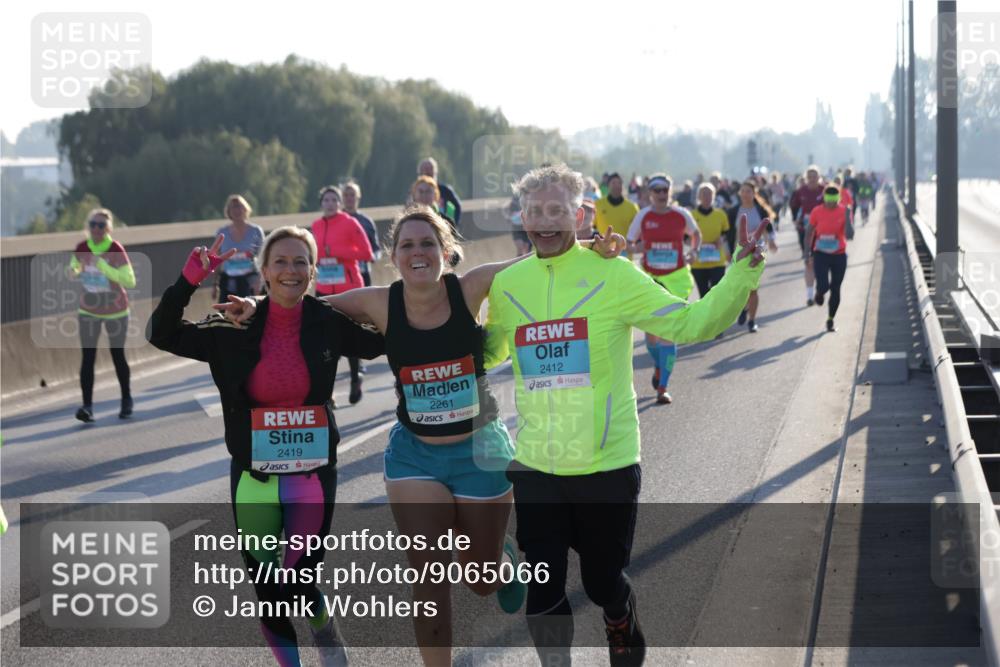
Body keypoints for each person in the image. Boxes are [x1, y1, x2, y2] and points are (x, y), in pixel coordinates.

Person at [218, 207, 625, 666]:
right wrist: (255, 305)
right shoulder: (378, 302)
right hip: (415, 458)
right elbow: (299, 304)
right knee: (429, 577)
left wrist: (593, 247)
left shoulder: (469, 287)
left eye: (427, 243)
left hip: (480, 451)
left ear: (446, 252)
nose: (418, 252)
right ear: (394, 256)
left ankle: (501, 563)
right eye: (407, 245)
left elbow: (539, 257)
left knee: (480, 578)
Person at [484, 164, 767, 667]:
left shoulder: (613, 273)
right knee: (543, 595)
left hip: (605, 464)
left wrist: (741, 272)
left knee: (601, 582)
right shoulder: (508, 284)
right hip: (536, 468)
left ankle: (621, 617)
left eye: (556, 210)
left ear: (579, 214)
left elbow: (689, 321)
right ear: (521, 217)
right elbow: (488, 352)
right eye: (534, 211)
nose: (545, 221)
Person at [149, 228, 384, 667]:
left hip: (311, 476)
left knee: (297, 578)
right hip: (253, 477)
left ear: (313, 272)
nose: (290, 271)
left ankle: (323, 628)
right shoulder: (232, 326)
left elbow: (390, 337)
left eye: (300, 262)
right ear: (263, 272)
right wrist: (188, 281)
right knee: (267, 587)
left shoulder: (327, 322)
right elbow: (161, 334)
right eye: (281, 261)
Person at [626, 174, 702, 404]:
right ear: (650, 193)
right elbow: (630, 241)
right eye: (656, 190)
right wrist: (635, 246)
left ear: (670, 191)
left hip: (676, 278)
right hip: (651, 278)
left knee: (668, 333)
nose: (661, 194)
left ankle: (663, 387)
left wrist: (694, 251)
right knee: (651, 337)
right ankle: (659, 366)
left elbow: (695, 235)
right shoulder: (643, 215)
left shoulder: (681, 215)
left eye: (664, 190)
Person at [69, 208, 135, 422]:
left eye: (101, 226)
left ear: (108, 228)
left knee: (117, 355)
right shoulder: (82, 247)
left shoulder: (115, 249)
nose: (96, 229)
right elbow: (73, 268)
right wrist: (74, 270)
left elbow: (129, 280)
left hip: (116, 310)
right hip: (88, 310)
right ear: (88, 227)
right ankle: (87, 407)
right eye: (93, 225)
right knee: (88, 357)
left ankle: (126, 400)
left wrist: (104, 267)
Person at [311, 185, 374, 404]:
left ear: (339, 203)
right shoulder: (316, 226)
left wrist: (337, 254)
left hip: (349, 287)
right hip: (324, 288)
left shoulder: (350, 222)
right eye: (326, 200)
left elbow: (367, 254)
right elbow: (311, 255)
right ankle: (328, 393)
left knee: (349, 337)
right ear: (321, 203)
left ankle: (356, 377)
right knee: (325, 342)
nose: (329, 203)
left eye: (333, 200)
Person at [732, 180, 777, 333]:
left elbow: (770, 228)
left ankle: (752, 320)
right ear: (739, 193)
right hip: (739, 254)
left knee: (753, 288)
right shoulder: (734, 211)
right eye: (743, 191)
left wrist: (772, 242)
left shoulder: (760, 210)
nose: (745, 194)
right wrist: (725, 250)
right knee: (741, 287)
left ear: (754, 193)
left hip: (757, 253)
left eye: (748, 191)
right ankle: (744, 307)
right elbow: (727, 232)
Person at [805, 184, 852, 332]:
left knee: (836, 288)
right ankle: (819, 292)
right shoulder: (817, 211)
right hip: (821, 254)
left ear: (838, 198)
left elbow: (850, 235)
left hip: (839, 254)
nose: (831, 202)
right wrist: (807, 253)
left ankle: (830, 319)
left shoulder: (844, 211)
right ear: (824, 198)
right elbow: (809, 233)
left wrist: (848, 218)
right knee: (824, 286)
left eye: (834, 199)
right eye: (828, 199)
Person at [215, 194, 265, 303]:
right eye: (233, 207)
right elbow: (217, 259)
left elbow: (263, 258)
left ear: (246, 209)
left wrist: (260, 281)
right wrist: (215, 284)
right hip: (229, 282)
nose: (237, 210)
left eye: (239, 206)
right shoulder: (222, 232)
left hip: (250, 281)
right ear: (228, 211)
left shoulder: (256, 231)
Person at [789, 165, 826, 306]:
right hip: (805, 231)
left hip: (822, 232)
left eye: (814, 176)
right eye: (809, 177)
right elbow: (794, 206)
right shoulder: (800, 192)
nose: (812, 179)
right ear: (806, 178)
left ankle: (819, 288)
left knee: (820, 264)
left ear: (819, 177)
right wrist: (796, 219)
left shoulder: (824, 191)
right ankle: (810, 295)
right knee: (808, 262)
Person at [690, 182, 732, 299]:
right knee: (704, 296)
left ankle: (718, 317)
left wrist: (721, 240)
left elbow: (726, 233)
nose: (707, 197)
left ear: (714, 196)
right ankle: (708, 317)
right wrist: (696, 244)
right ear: (699, 197)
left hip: (717, 261)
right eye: (704, 194)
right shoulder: (691, 215)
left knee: (717, 294)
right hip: (698, 263)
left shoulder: (721, 214)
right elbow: (685, 238)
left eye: (710, 194)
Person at [341, 181, 381, 287]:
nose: (349, 198)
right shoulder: (334, 221)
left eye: (352, 195)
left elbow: (376, 250)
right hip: (340, 275)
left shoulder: (367, 222)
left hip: (363, 272)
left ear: (358, 197)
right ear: (341, 198)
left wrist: (373, 257)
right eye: (346, 195)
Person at [418, 157, 462, 227]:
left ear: (435, 171)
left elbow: (457, 206)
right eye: (425, 169)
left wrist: (453, 225)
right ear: (420, 173)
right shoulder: (414, 191)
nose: (427, 171)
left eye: (430, 169)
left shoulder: (445, 190)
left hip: (442, 228)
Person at [594, 172, 640, 240]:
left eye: (619, 183)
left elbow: (638, 230)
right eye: (613, 183)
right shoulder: (597, 205)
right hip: (602, 248)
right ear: (608, 185)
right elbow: (592, 226)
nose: (617, 186)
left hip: (624, 248)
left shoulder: (632, 207)